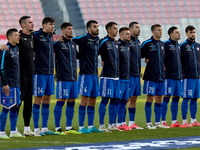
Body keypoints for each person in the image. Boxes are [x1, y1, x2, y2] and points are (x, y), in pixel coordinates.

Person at [0, 16, 39, 136]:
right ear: (23, 25)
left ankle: (24, 129)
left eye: (32, 22)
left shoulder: (32, 37)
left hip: (29, 75)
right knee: (12, 105)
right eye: (30, 22)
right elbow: (2, 62)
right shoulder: (16, 41)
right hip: (17, 78)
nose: (33, 24)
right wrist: (1, 46)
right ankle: (7, 130)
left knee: (25, 103)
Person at [72, 20, 103, 133]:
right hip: (85, 74)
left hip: (95, 74)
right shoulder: (84, 38)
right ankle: (81, 127)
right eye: (95, 26)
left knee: (93, 100)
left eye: (98, 26)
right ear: (89, 29)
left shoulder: (97, 40)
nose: (97, 28)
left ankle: (90, 126)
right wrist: (78, 55)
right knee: (84, 100)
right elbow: (71, 42)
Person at [53, 22, 80, 135]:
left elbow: (78, 57)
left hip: (74, 77)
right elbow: (48, 50)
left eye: (72, 28)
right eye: (69, 29)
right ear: (63, 31)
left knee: (72, 101)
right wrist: (55, 41)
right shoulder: (58, 44)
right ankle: (57, 127)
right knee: (61, 101)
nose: (71, 31)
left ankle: (69, 127)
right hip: (63, 78)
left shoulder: (73, 44)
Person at [32, 17, 57, 136]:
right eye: (50, 24)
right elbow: (24, 38)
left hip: (50, 73)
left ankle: (45, 128)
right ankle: (36, 128)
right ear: (43, 25)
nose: (52, 26)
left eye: (53, 24)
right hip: (39, 73)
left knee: (47, 99)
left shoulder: (50, 36)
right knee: (38, 99)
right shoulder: (36, 35)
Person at [141, 24, 168, 129]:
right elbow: (138, 54)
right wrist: (146, 58)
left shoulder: (162, 44)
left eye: (161, 30)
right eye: (158, 30)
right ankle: (148, 123)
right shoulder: (147, 43)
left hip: (161, 76)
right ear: (153, 32)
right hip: (150, 76)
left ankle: (157, 122)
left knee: (159, 98)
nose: (161, 32)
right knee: (150, 98)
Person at [0, 28, 24, 139]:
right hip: (8, 85)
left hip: (17, 84)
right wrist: (5, 83)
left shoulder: (17, 49)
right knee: (6, 107)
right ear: (9, 37)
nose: (18, 37)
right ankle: (1, 132)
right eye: (16, 35)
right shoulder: (5, 50)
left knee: (15, 107)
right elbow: (1, 68)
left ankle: (13, 131)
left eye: (18, 35)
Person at [98, 22, 122, 132]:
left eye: (117, 28)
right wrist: (101, 61)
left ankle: (112, 124)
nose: (117, 30)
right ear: (109, 30)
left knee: (115, 100)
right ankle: (101, 125)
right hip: (107, 76)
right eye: (114, 29)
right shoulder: (103, 42)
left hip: (116, 76)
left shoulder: (116, 43)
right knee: (105, 100)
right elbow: (94, 53)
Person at [161, 26, 182, 128]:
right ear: (171, 34)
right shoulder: (166, 44)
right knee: (166, 97)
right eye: (177, 32)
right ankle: (163, 121)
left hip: (178, 76)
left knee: (176, 98)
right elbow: (160, 56)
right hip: (169, 76)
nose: (179, 34)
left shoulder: (178, 45)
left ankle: (174, 122)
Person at [180, 25, 200, 127]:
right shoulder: (183, 46)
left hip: (197, 77)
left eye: (194, 32)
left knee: (194, 99)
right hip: (188, 76)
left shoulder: (198, 46)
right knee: (186, 98)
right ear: (186, 33)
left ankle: (193, 120)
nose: (193, 34)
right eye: (191, 32)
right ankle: (184, 122)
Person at [128, 22, 143, 129]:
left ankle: (131, 123)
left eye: (139, 27)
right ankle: (120, 123)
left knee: (134, 98)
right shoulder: (125, 41)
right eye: (137, 27)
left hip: (137, 74)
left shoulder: (138, 42)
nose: (139, 29)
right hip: (128, 75)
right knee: (126, 98)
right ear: (130, 29)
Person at [116, 27, 131, 131]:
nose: (129, 35)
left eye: (129, 34)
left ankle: (122, 122)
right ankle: (117, 123)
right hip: (120, 78)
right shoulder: (117, 45)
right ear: (121, 35)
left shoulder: (127, 46)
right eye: (127, 34)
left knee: (125, 101)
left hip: (127, 78)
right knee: (118, 101)